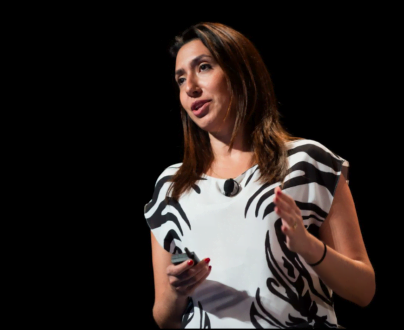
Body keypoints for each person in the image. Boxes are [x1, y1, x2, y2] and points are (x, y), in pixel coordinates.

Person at [143, 22, 375, 329]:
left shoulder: (308, 162)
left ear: (241, 73)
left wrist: (308, 246)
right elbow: (164, 317)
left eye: (204, 67)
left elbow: (363, 291)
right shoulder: (171, 187)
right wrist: (177, 290)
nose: (190, 88)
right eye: (181, 78)